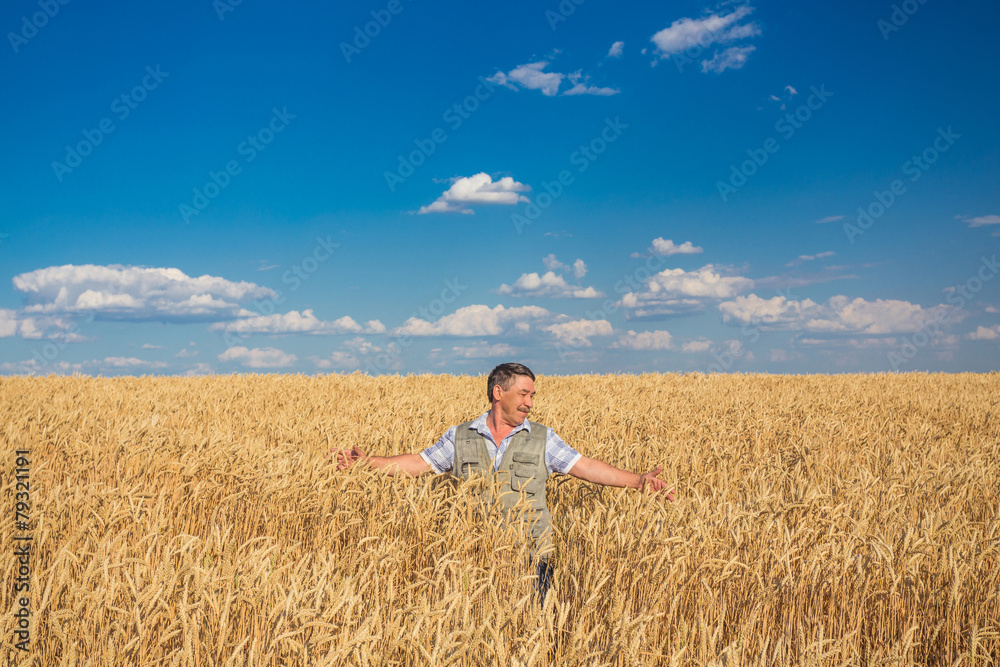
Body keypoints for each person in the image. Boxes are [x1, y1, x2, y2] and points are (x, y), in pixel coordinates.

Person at [332, 362, 675, 602]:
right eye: (524, 394)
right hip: (474, 555)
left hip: (532, 555)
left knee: (533, 630)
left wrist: (637, 481)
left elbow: (584, 467)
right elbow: (419, 463)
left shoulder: (543, 438)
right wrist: (368, 463)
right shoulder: (460, 436)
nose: (530, 402)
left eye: (532, 396)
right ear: (499, 392)